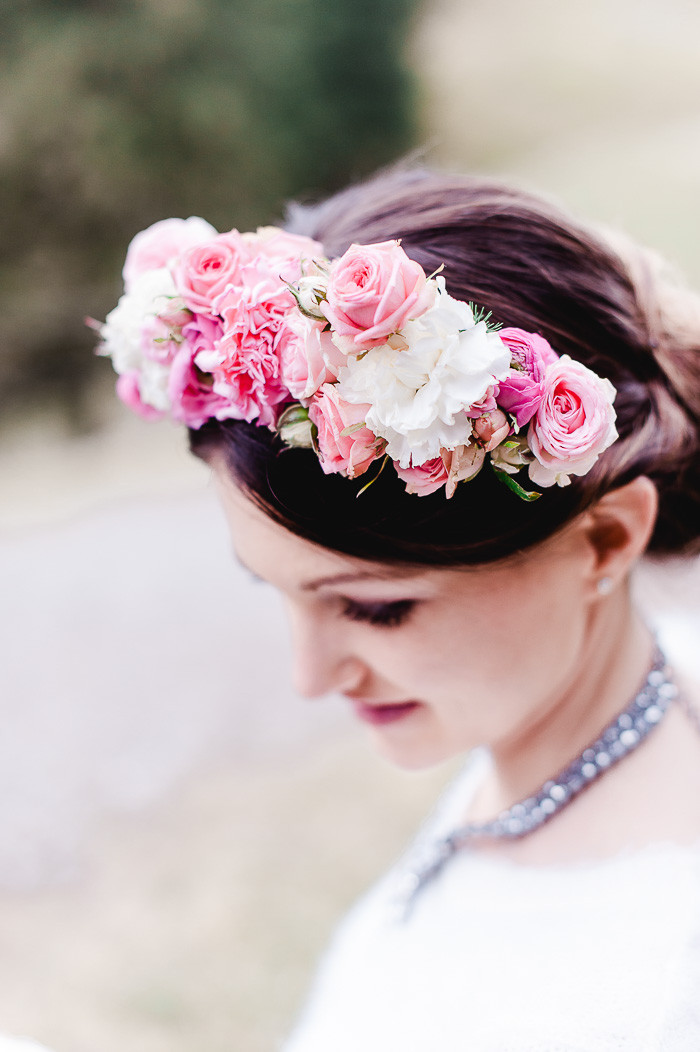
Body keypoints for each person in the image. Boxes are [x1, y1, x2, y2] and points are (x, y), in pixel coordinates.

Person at [95, 167, 700, 1050]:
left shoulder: (654, 988)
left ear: (603, 544)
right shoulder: (569, 719)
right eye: (276, 592)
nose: (310, 679)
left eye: (377, 611)